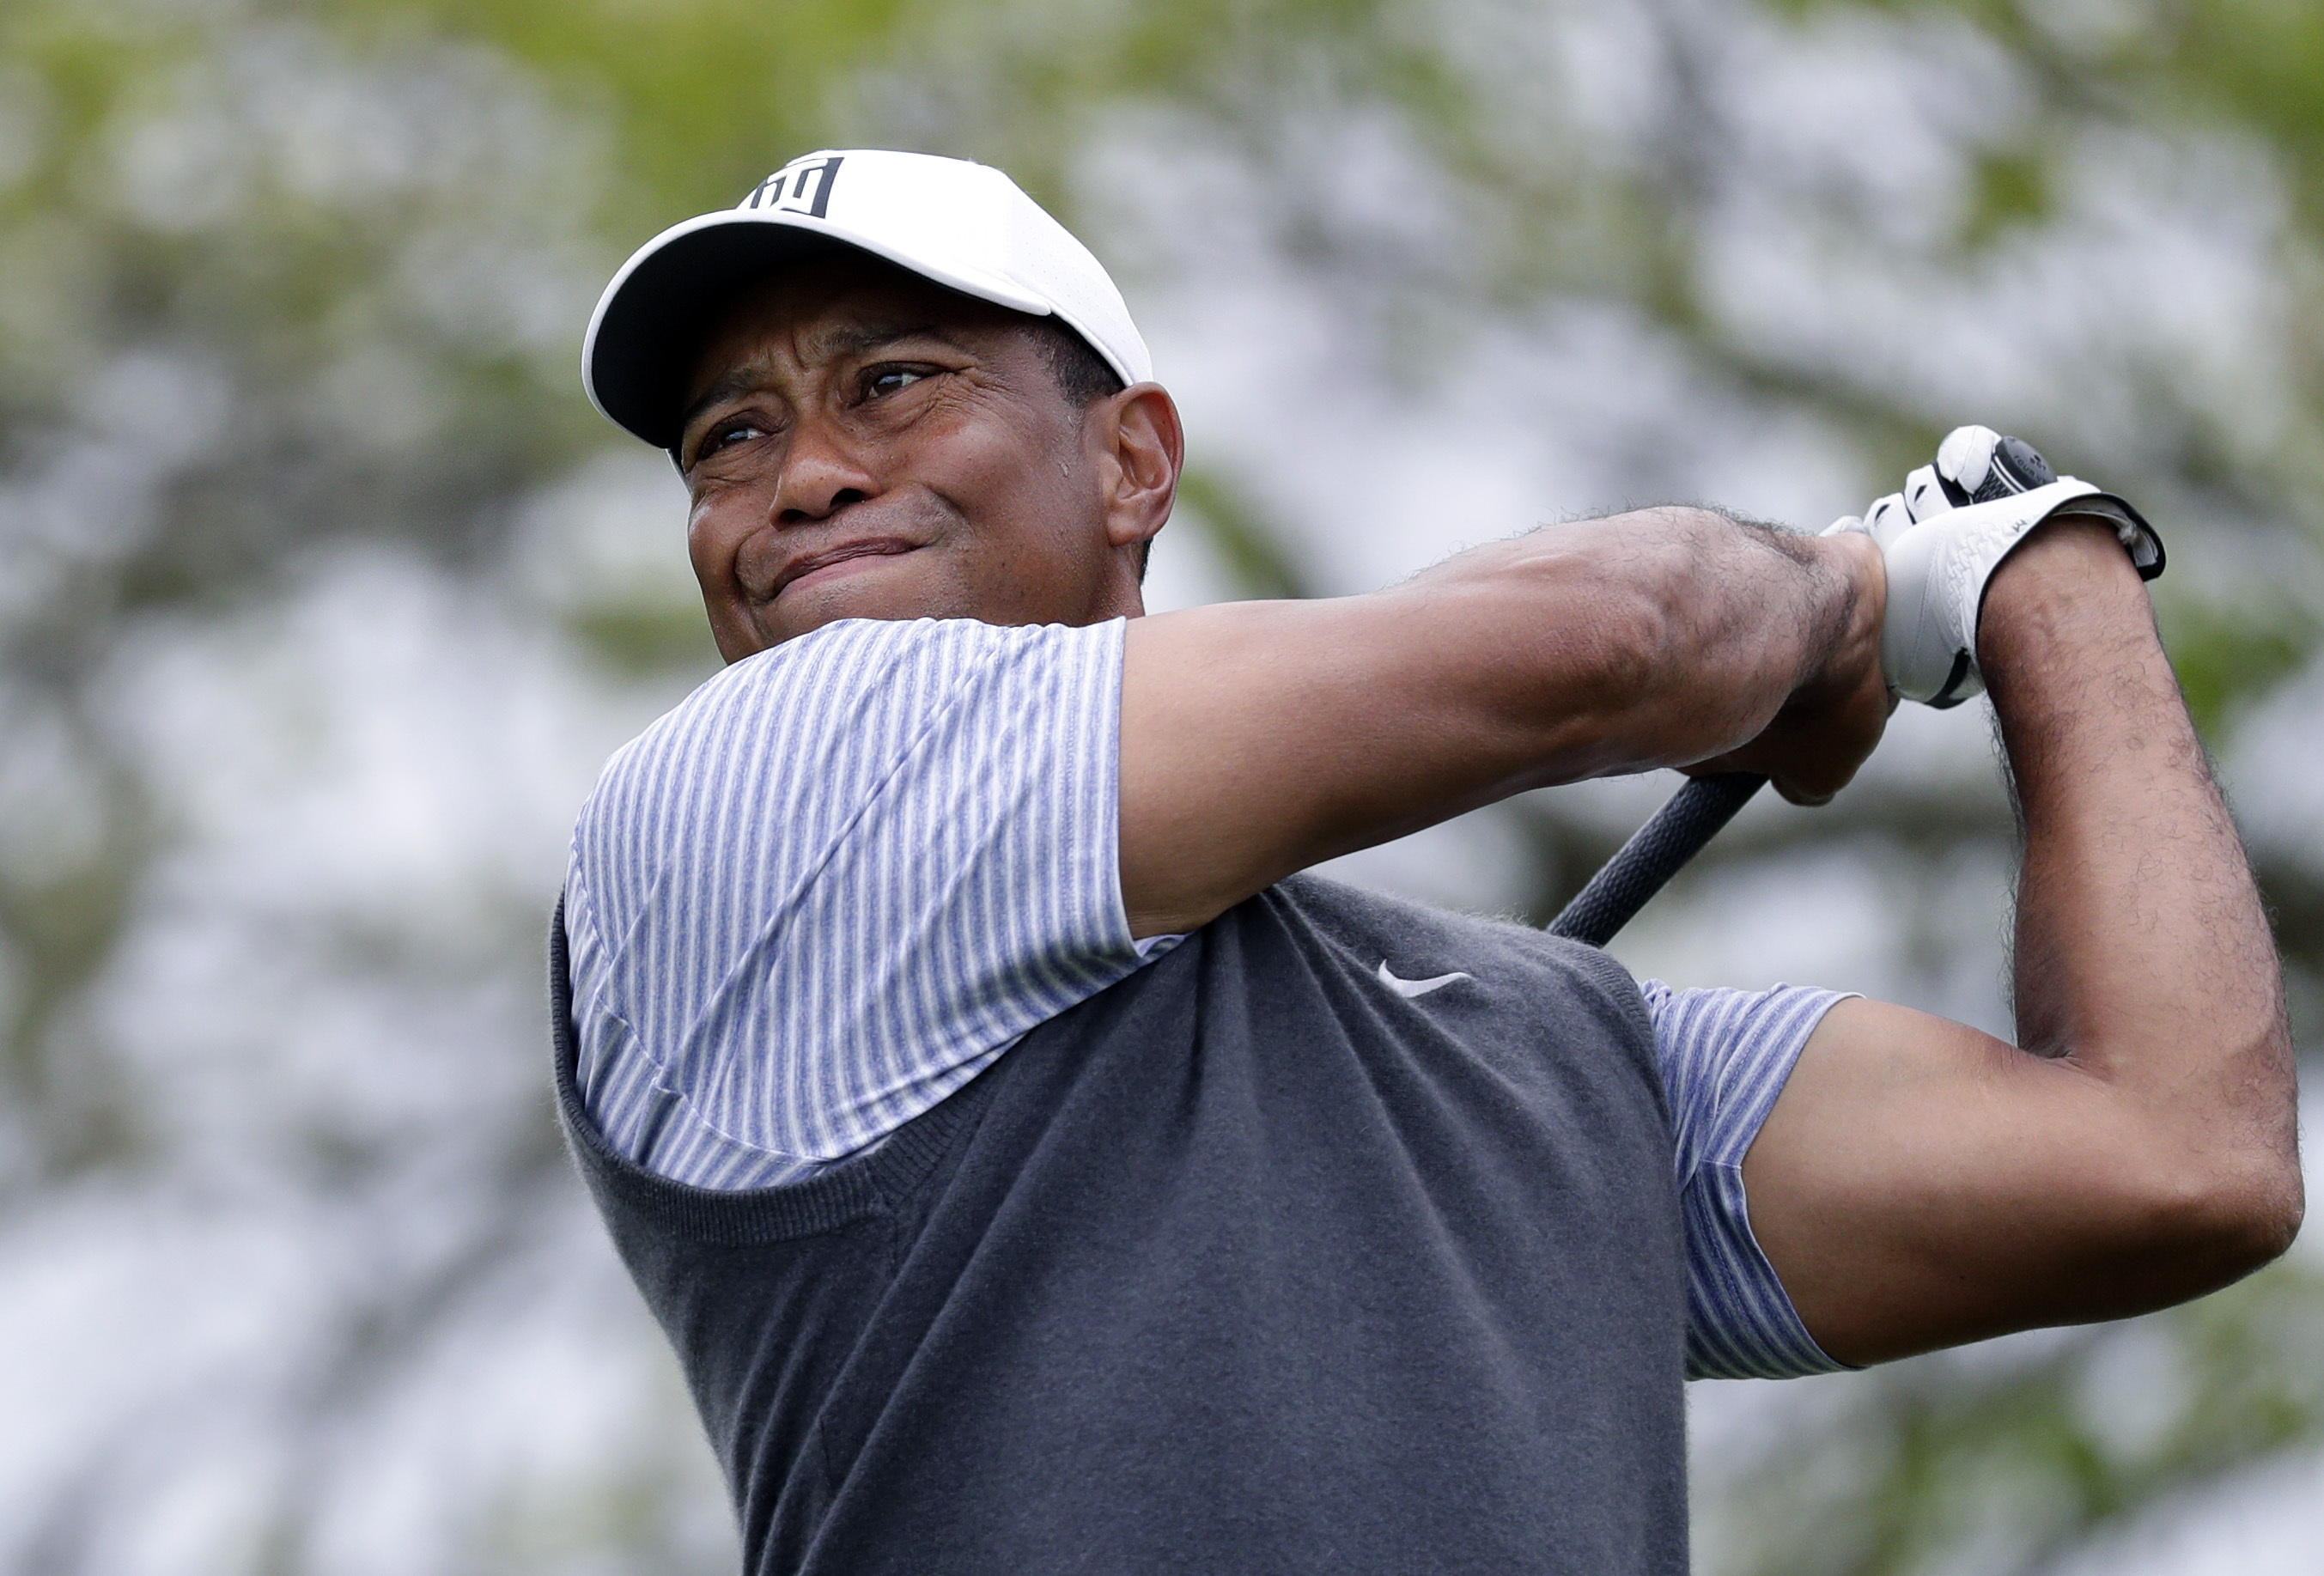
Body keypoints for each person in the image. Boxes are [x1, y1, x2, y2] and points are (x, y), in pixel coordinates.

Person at [551, 149, 2299, 1574]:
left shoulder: (1537, 1041)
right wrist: (1841, 596)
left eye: (892, 384)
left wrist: (2052, 585)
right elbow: (1615, 642)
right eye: (733, 437)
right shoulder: (744, 805)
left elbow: (2177, 1159)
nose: (801, 477)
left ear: (1133, 460)